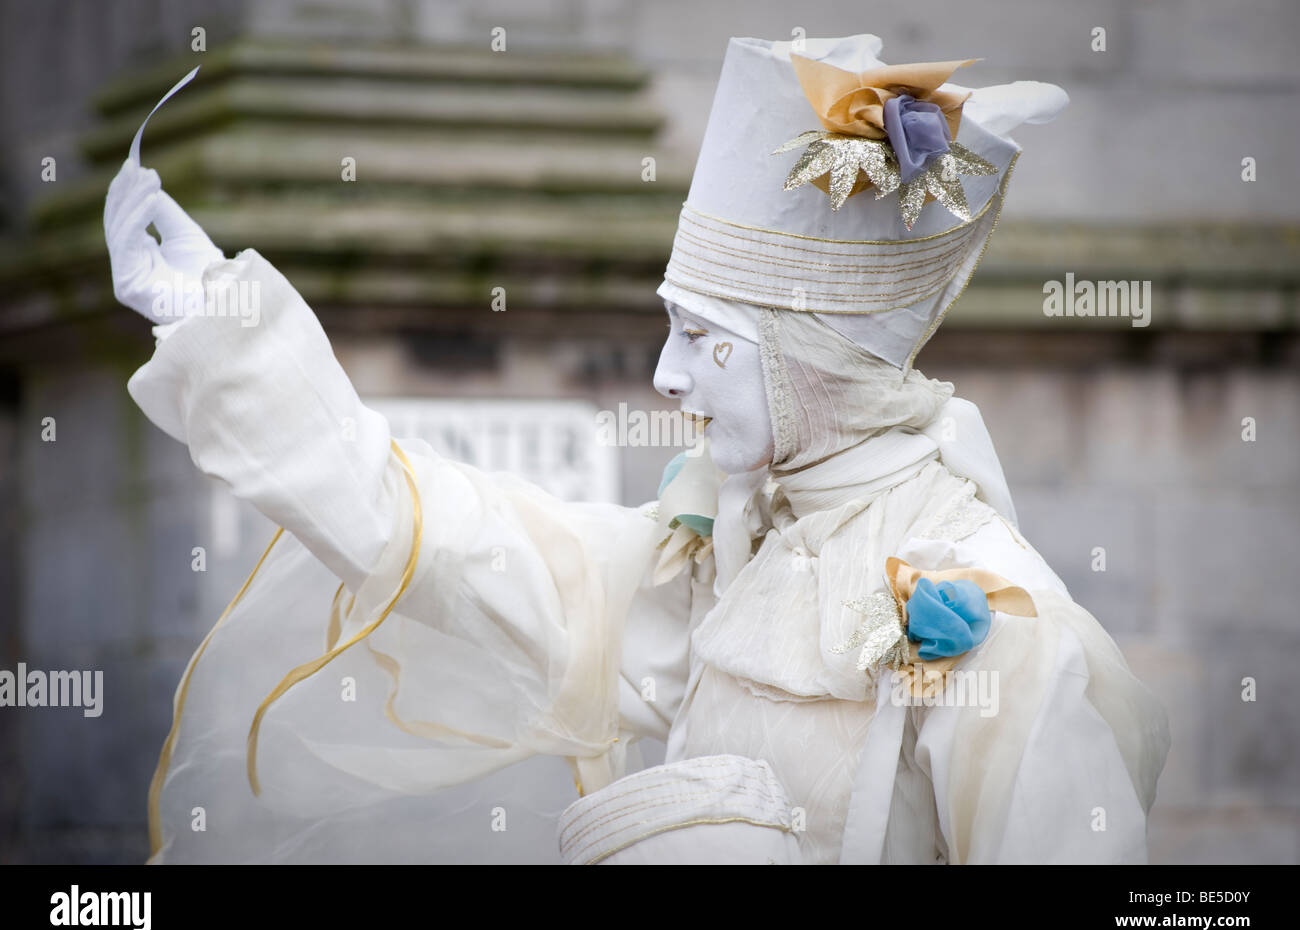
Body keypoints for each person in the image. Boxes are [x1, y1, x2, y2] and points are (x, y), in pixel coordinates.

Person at [106, 33, 1169, 864]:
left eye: (703, 340)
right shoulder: (721, 550)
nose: (664, 376)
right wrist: (227, 329)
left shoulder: (998, 633)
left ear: (813, 360)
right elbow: (475, 557)